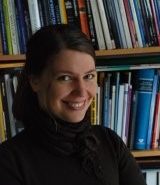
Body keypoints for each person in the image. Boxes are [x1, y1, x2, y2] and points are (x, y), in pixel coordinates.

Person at [0, 24, 146, 185]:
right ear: (35, 80)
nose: (82, 92)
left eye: (88, 76)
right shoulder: (8, 161)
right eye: (65, 78)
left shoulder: (110, 143)